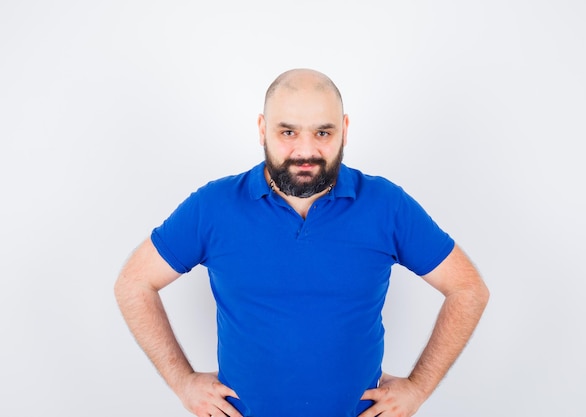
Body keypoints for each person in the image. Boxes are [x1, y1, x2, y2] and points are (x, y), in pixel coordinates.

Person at [114, 68, 489, 417]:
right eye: (288, 132)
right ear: (262, 130)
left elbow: (468, 289)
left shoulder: (386, 205)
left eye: (322, 133)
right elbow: (134, 283)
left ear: (344, 129)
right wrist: (183, 382)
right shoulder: (213, 207)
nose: (305, 151)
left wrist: (418, 388)